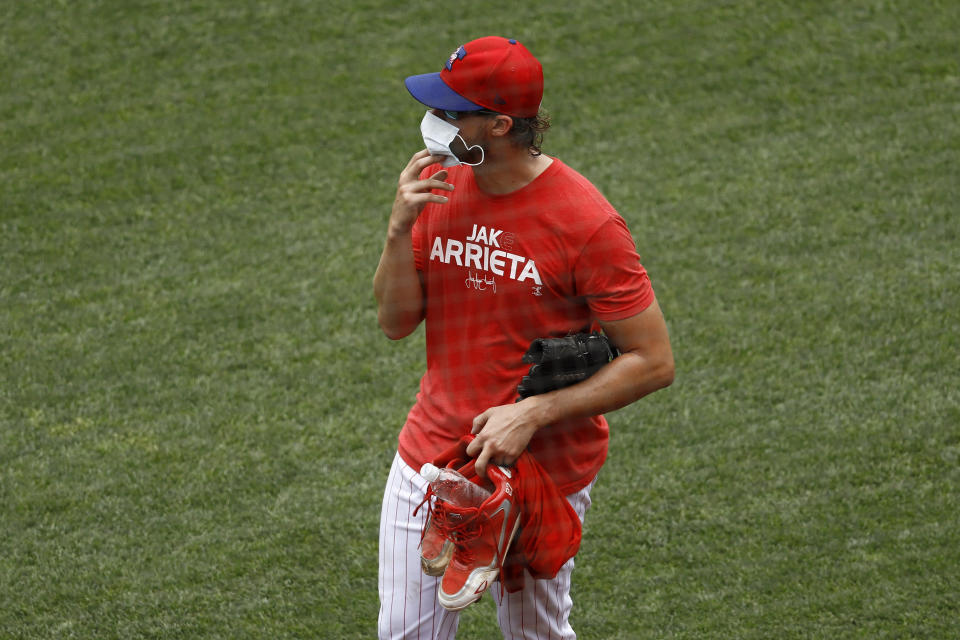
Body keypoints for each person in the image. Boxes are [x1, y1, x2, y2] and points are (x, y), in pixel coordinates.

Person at [373, 36, 674, 639]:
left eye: (454, 112)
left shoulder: (585, 222)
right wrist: (398, 227)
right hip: (433, 456)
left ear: (502, 125)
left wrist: (535, 412)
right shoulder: (441, 188)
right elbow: (396, 322)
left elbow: (654, 360)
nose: (436, 123)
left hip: (542, 471)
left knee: (534, 633)